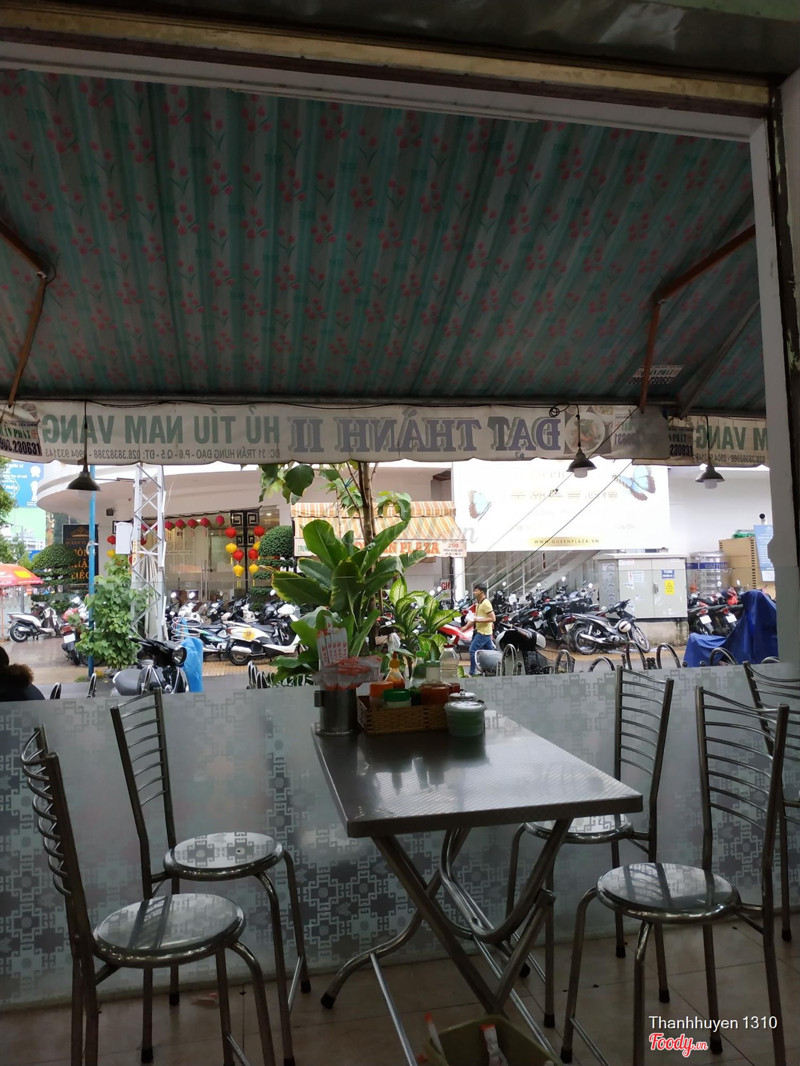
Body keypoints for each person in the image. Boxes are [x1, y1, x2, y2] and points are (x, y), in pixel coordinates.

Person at [469, 583, 496, 677]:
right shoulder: (479, 603)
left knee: (472, 650)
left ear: (482, 592)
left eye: (476, 590)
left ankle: (472, 673)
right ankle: (492, 670)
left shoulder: (486, 603)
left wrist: (478, 620)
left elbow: (493, 618)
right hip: (484, 631)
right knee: (490, 653)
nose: (474, 592)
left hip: (483, 632)